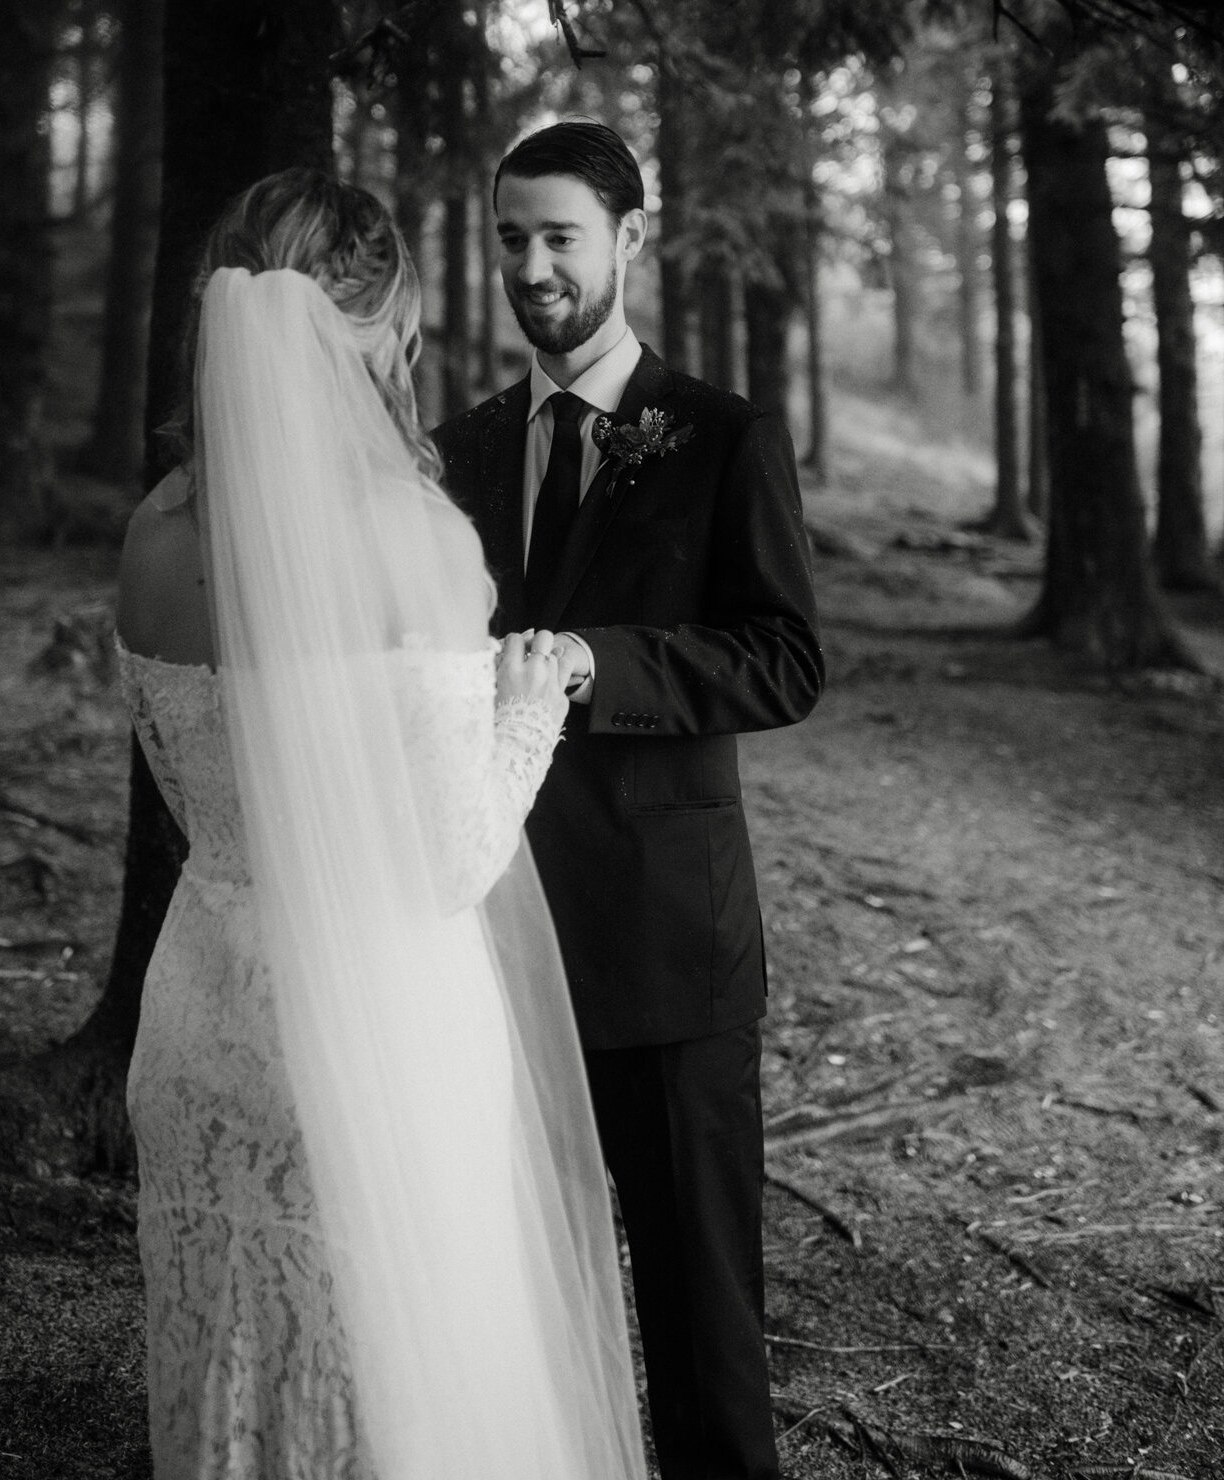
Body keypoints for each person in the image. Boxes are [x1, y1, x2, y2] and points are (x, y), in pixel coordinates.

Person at [115, 168, 648, 1480]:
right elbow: (452, 856)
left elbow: (196, 801)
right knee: (393, 1395)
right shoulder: (412, 539)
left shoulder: (149, 535)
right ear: (377, 328)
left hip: (201, 1027)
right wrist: (526, 708)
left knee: (231, 1382)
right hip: (381, 1033)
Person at [435, 120, 825, 1480]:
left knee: (702, 1322)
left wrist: (607, 663)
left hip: (669, 950)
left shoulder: (722, 435)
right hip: (493, 937)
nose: (533, 267)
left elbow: (787, 658)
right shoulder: (463, 449)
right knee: (529, 1310)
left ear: (631, 240)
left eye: (560, 237)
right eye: (511, 239)